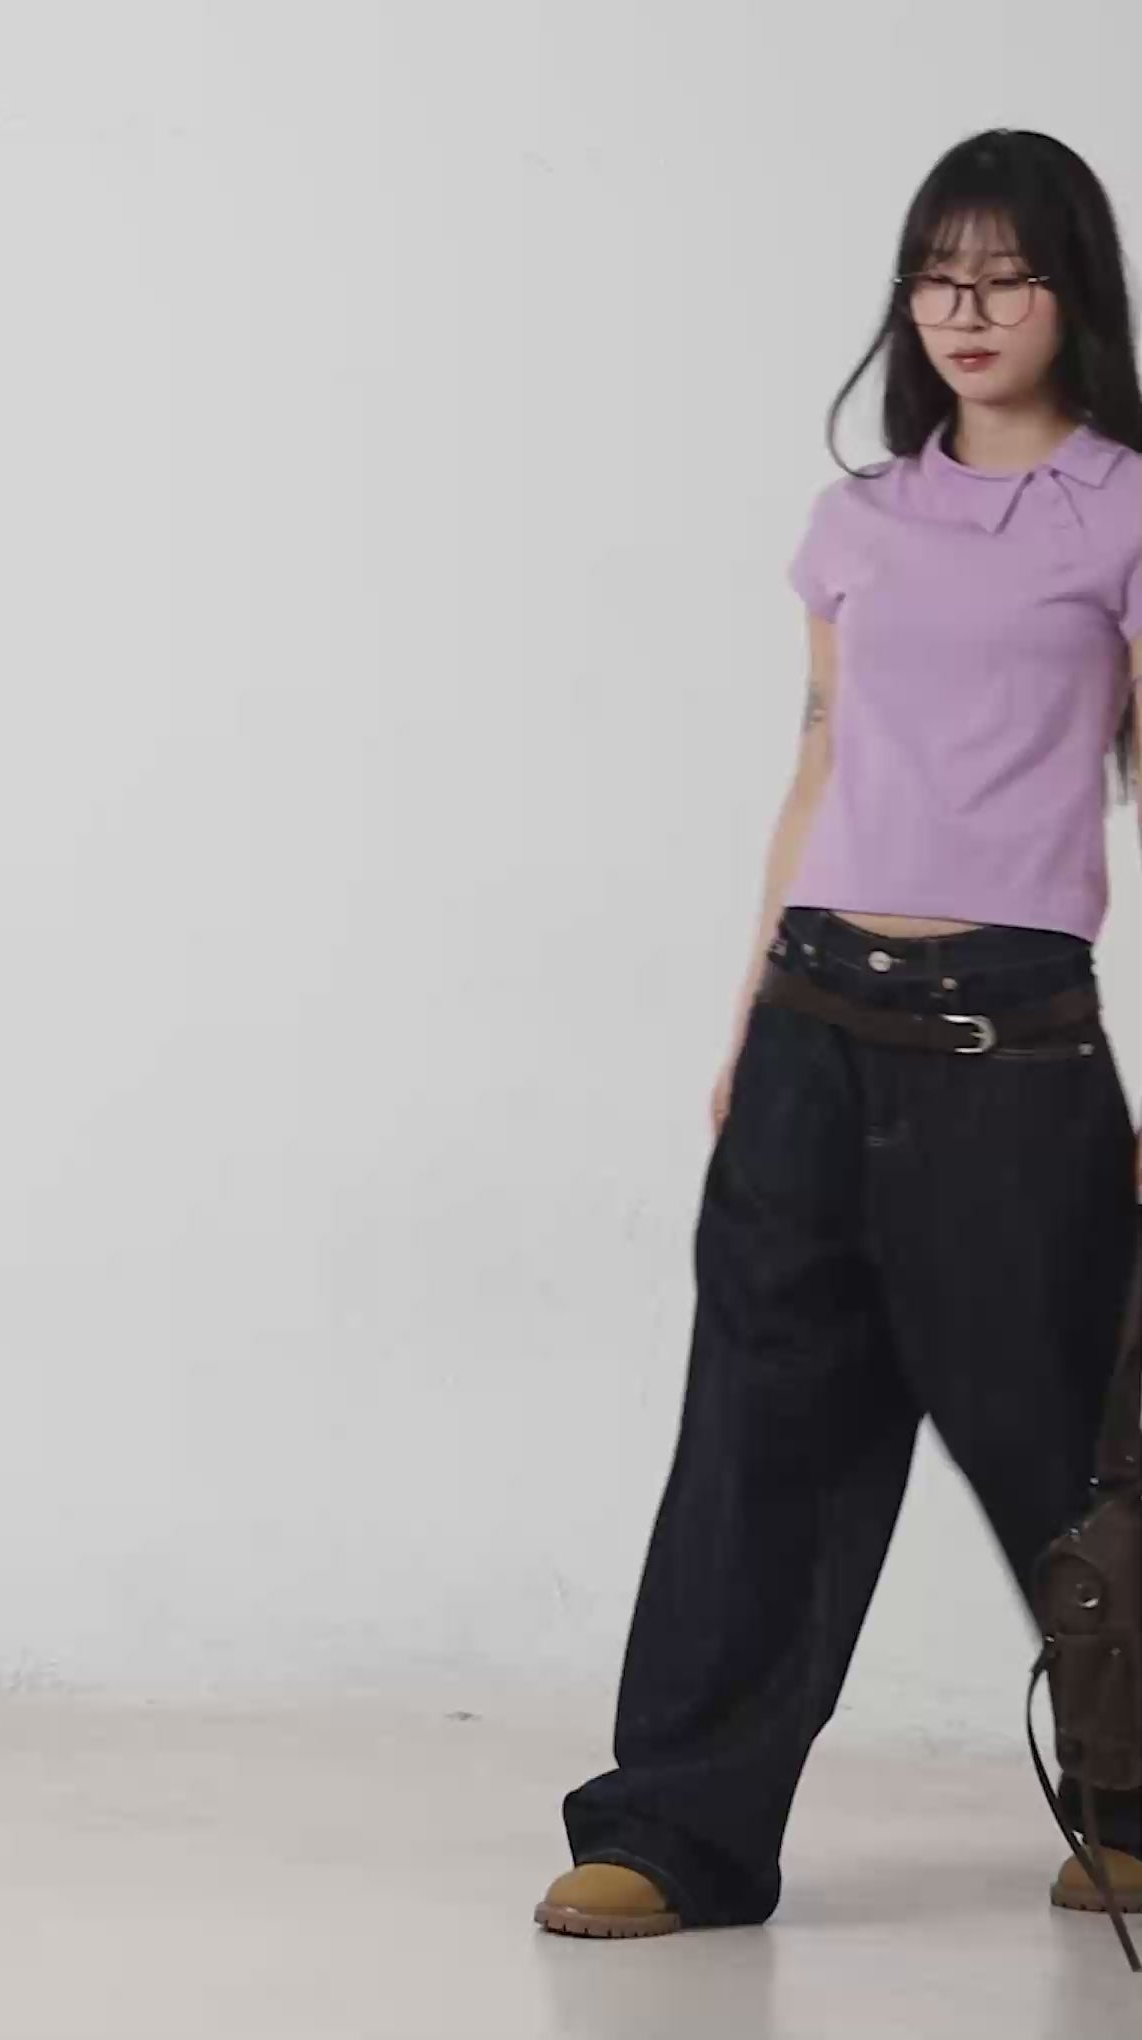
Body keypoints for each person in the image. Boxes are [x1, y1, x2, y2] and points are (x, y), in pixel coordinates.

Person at [534, 127, 1142, 1940]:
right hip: (815, 1020)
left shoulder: (1123, 508)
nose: (969, 310)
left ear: (1074, 294)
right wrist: (747, 1014)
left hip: (1010, 1048)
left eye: (1008, 276)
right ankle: (680, 1831)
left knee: (1074, 1447)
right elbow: (818, 765)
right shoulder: (860, 520)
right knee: (757, 1437)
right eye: (938, 276)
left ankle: (1133, 1800)